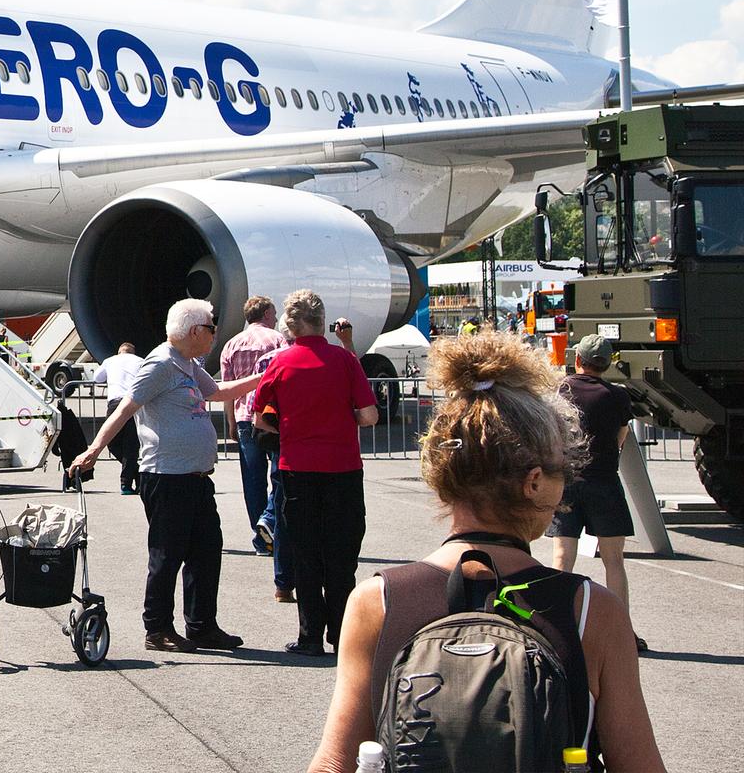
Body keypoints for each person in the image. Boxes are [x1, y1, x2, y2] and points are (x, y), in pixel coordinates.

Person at [306, 332, 663, 773]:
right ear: (534, 483)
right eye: (560, 474)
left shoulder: (378, 601)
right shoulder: (590, 609)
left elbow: (335, 761)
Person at [72, 299, 263, 653]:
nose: (214, 333)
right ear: (194, 331)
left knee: (206, 551)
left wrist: (267, 376)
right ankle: (157, 628)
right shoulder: (160, 363)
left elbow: (220, 392)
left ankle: (202, 626)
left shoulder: (188, 363)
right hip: (166, 477)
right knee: (167, 554)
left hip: (195, 477)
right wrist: (94, 449)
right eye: (211, 327)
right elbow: (126, 408)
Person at [253, 290, 379, 656]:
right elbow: (369, 415)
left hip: (298, 469)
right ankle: (342, 635)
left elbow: (261, 417)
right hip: (342, 468)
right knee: (341, 556)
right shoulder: (343, 360)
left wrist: (292, 429)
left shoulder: (279, 364)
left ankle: (310, 636)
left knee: (305, 555)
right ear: (323, 322)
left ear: (290, 326)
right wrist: (345, 418)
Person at [548, 333, 643, 649]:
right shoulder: (617, 396)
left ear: (578, 360)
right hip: (603, 479)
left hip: (567, 480)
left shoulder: (561, 389)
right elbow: (620, 437)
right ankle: (620, 632)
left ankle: (555, 626)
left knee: (563, 555)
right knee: (614, 559)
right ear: (607, 364)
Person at [219, 296, 286, 551]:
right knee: (279, 474)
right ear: (267, 313)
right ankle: (270, 522)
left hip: (244, 416)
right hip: (271, 415)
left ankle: (261, 537)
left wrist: (231, 422)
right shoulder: (277, 340)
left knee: (252, 478)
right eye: (275, 312)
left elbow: (227, 389)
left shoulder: (231, 344)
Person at [98, 343, 143, 494]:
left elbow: (97, 378)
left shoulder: (109, 361)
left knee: (111, 442)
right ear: (133, 352)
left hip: (115, 403)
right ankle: (133, 477)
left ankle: (127, 481)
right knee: (131, 445)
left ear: (119, 352)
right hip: (132, 403)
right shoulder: (140, 361)